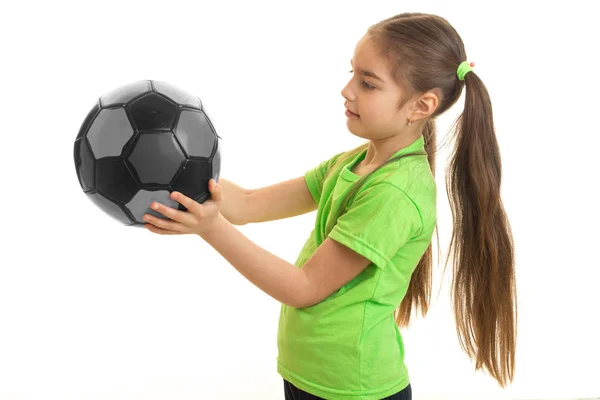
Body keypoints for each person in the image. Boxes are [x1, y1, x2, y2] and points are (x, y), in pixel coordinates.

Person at [143, 11, 516, 400]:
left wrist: (211, 228)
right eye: (352, 73)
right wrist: (183, 173)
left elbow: (303, 287)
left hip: (352, 389)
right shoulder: (354, 162)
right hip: (309, 376)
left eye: (368, 84)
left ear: (420, 107)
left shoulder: (395, 195)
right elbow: (249, 204)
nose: (347, 90)